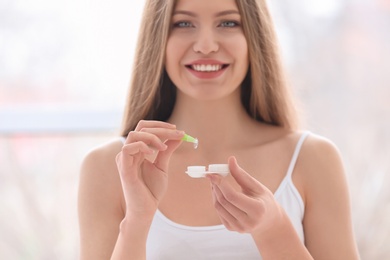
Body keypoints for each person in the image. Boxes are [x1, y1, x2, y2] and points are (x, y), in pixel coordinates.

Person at [78, 0, 360, 259]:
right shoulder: (109, 167)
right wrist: (137, 221)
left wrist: (273, 230)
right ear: (158, 38)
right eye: (183, 23)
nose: (206, 45)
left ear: (254, 36)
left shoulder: (313, 159)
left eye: (228, 23)